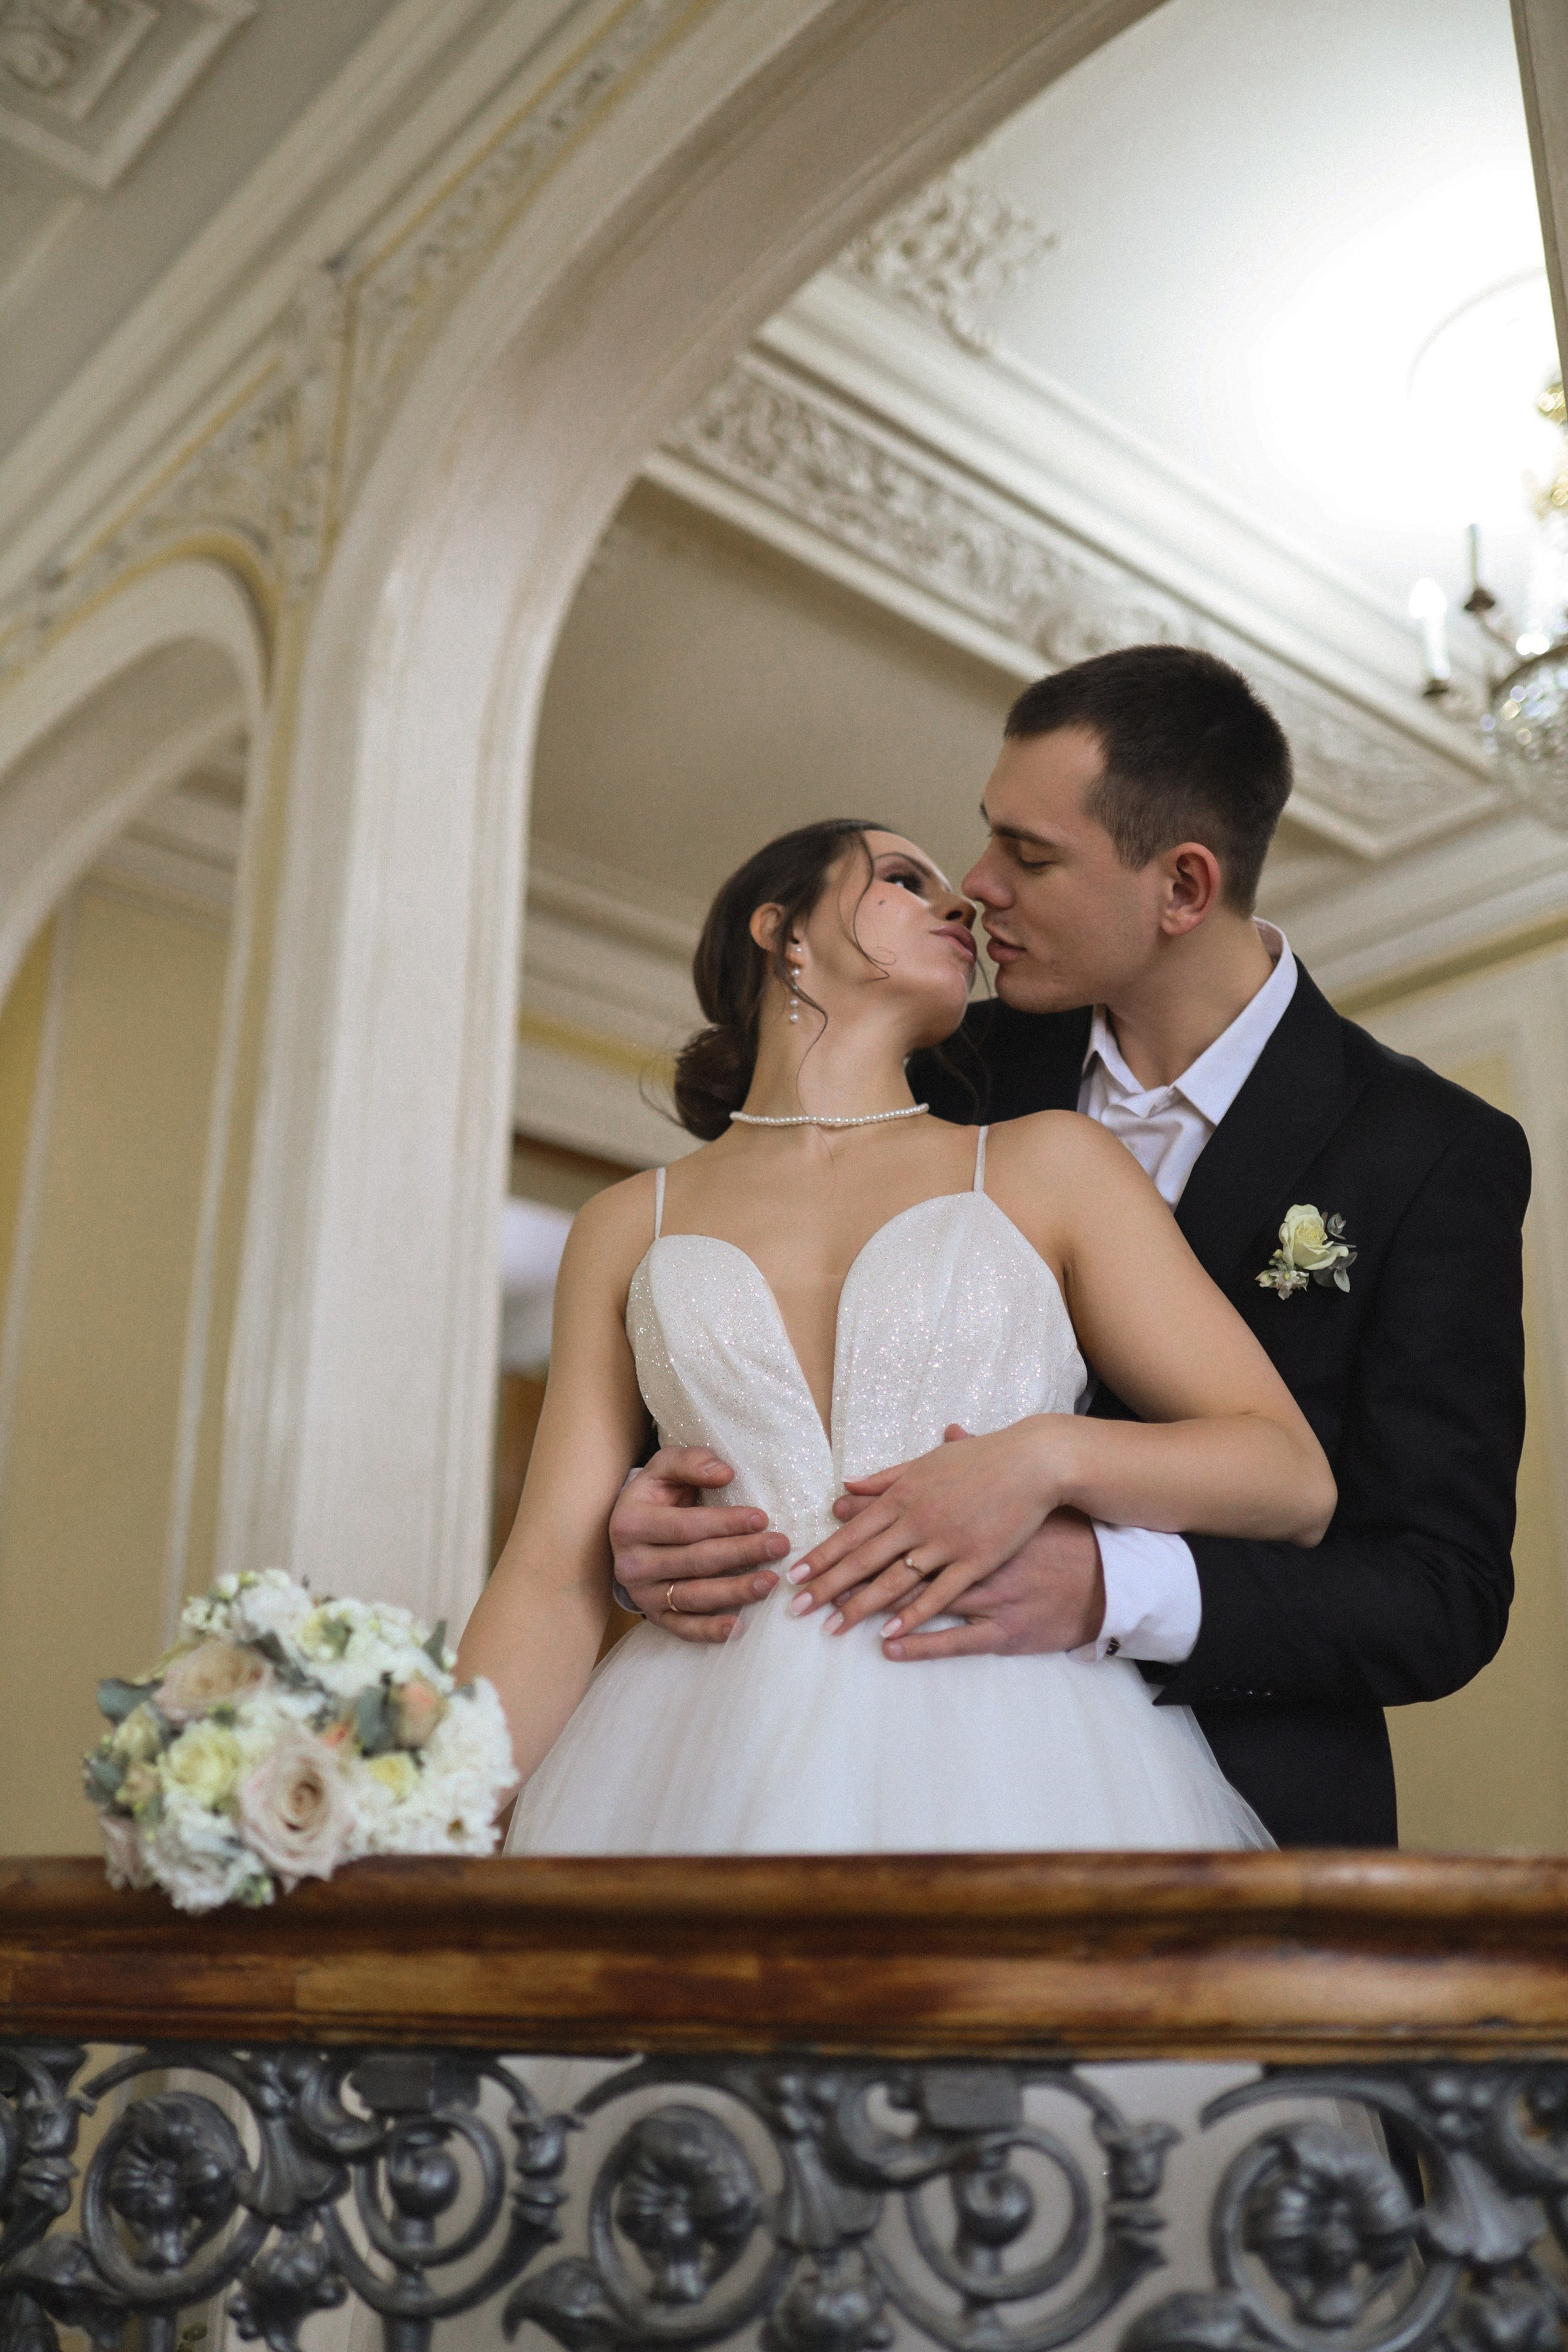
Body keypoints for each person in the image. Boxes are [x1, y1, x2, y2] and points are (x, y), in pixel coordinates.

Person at [609, 647, 1531, 1848]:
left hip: (1247, 1815)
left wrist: (1105, 1587)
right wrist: (641, 1525)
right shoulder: (936, 1064)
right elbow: (727, 1348)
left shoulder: (1423, 1150)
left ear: (1183, 887)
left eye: (1029, 857)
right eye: (984, 837)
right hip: (838, 1774)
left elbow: (1433, 1596)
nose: (976, 887)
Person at [459, 811, 1337, 1853]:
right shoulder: (623, 1224)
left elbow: (1289, 1475)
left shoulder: (1047, 1163)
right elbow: (549, 1575)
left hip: (1011, 1741)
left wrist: (1045, 1460)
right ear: (781, 931)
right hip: (690, 1750)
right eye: (904, 879)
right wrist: (420, 1812)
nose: (959, 902)